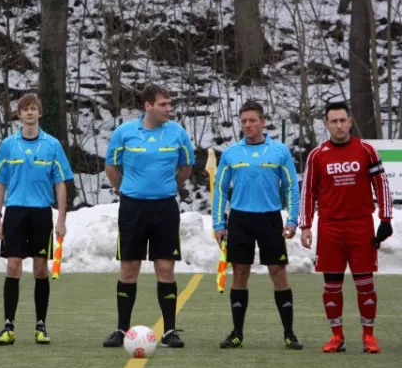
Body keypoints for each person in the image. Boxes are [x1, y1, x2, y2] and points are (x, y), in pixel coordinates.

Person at [102, 83, 195, 348]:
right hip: (133, 208)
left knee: (165, 268)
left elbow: (186, 167)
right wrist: (128, 190)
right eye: (163, 104)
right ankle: (121, 330)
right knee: (129, 268)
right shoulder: (124, 133)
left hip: (165, 208)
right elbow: (111, 167)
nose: (169, 109)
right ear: (148, 106)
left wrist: (169, 188)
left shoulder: (177, 133)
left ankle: (169, 331)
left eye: (170, 103)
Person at [299, 101, 393, 353]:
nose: (339, 126)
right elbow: (308, 192)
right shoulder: (317, 155)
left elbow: (381, 185)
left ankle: (369, 336)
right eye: (334, 121)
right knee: (331, 285)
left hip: (360, 226)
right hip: (330, 228)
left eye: (343, 120)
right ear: (327, 124)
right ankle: (336, 336)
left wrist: (385, 220)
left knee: (365, 283)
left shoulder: (367, 151)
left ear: (350, 122)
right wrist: (305, 225)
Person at [212, 100, 303, 350]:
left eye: (253, 120)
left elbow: (292, 187)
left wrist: (293, 219)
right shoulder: (231, 153)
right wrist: (219, 223)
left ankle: (289, 333)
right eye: (243, 121)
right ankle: (237, 333)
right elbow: (220, 190)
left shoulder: (280, 151)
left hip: (270, 218)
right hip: (240, 219)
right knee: (240, 272)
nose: (248, 125)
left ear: (263, 122)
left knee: (278, 272)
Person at [0, 94, 73, 346]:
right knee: (13, 266)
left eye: (33, 109)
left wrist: (61, 219)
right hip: (15, 213)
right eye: (24, 109)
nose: (29, 113)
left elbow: (60, 183)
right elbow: (0, 182)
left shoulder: (52, 145)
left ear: (40, 113)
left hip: (40, 214)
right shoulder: (8, 145)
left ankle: (40, 326)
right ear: (18, 114)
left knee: (40, 269)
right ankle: (8, 326)